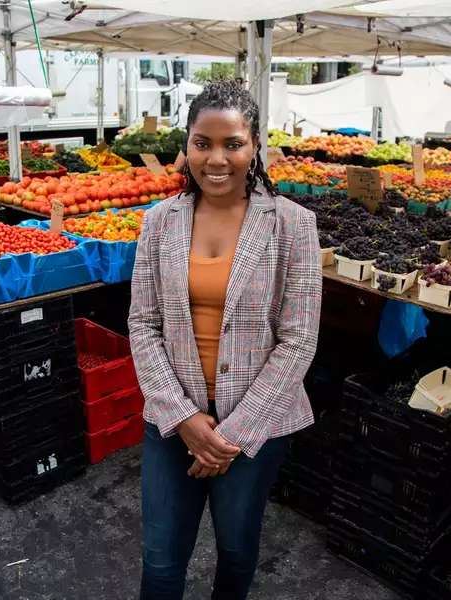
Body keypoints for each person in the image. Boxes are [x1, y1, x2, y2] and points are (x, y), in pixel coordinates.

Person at [128, 80, 321, 600]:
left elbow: (299, 339)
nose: (216, 158)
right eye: (202, 142)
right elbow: (143, 325)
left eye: (232, 143)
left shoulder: (292, 225)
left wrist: (231, 435)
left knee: (236, 548)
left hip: (256, 425)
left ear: (255, 145)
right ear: (186, 145)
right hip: (173, 419)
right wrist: (185, 419)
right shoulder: (157, 223)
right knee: (161, 560)